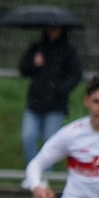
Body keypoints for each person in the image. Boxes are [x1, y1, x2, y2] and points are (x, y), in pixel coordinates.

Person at [19, 24, 83, 163]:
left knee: (50, 142)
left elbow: (76, 74)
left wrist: (60, 90)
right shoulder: (37, 47)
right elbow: (23, 68)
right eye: (50, 27)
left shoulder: (69, 51)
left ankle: (44, 172)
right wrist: (34, 63)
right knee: (28, 136)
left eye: (56, 27)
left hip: (55, 105)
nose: (52, 30)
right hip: (34, 102)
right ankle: (33, 170)